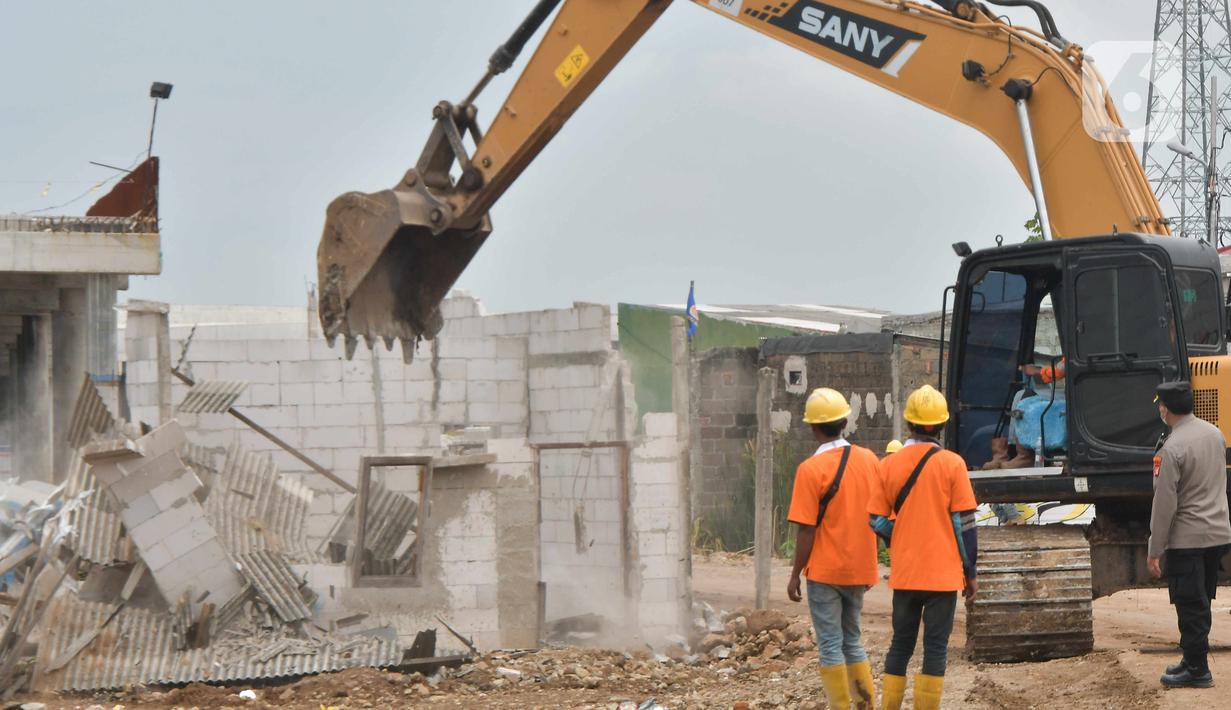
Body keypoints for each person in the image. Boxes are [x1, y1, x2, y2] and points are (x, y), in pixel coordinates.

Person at [867, 384, 978, 710]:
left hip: (905, 574)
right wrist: (970, 571)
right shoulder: (953, 464)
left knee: (900, 645)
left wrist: (898, 535)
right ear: (942, 425)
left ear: (909, 424)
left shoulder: (888, 465)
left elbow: (874, 519)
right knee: (935, 648)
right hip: (942, 577)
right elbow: (964, 526)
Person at [785, 387, 881, 709]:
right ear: (845, 422)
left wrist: (795, 573)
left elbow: (806, 529)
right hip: (859, 568)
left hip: (825, 572)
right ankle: (864, 704)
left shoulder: (810, 470)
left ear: (813, 427)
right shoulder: (869, 460)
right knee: (852, 640)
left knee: (829, 644)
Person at [1148, 380, 1231, 689]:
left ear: (1165, 408)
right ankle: (1192, 659)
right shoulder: (1215, 434)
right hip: (1217, 533)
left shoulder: (1171, 449)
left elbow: (1165, 503)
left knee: (1189, 602)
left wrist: (1155, 548)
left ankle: (1197, 669)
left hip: (1188, 538)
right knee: (1202, 599)